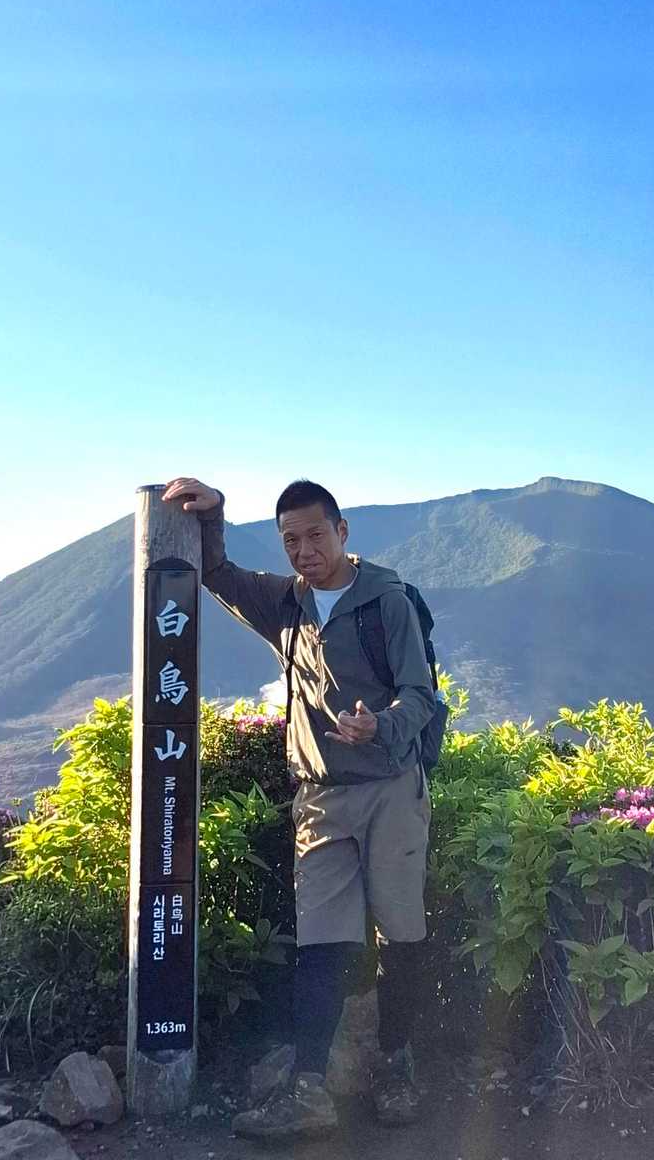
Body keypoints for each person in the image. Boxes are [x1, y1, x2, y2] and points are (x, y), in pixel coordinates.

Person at [162, 476, 435, 1139]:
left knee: (401, 933)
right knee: (321, 942)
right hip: (319, 797)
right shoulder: (285, 603)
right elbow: (218, 575)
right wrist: (214, 513)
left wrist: (381, 726)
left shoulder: (388, 602)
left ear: (342, 531)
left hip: (391, 788)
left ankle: (397, 1067)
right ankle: (309, 1090)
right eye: (291, 540)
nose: (304, 550)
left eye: (316, 535)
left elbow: (420, 695)